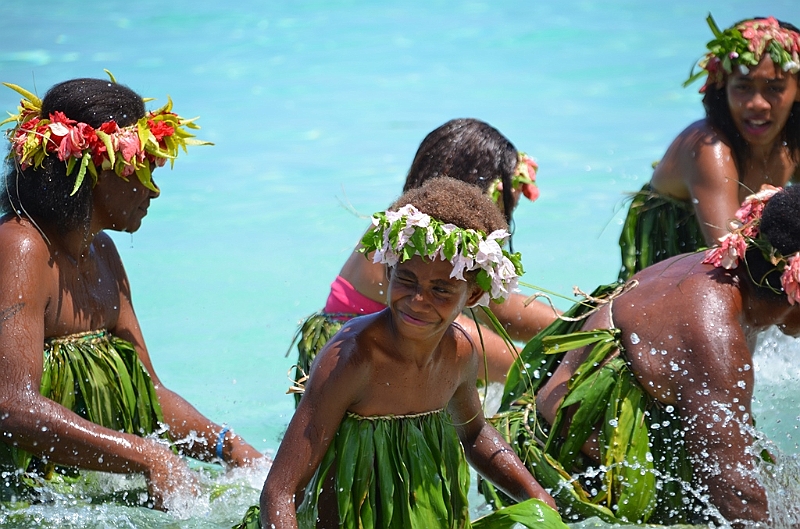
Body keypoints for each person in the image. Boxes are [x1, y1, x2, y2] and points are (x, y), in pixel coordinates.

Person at [0, 76, 263, 510]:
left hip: (81, 490)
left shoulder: (101, 250)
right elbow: (11, 405)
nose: (154, 191)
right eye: (143, 172)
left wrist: (230, 449)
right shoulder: (21, 248)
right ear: (97, 172)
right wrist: (147, 458)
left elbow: (151, 392)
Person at [240, 178, 562, 529]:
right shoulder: (353, 359)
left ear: (471, 297)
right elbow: (280, 490)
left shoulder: (459, 353)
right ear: (390, 270)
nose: (419, 300)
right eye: (407, 280)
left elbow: (473, 435)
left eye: (441, 289)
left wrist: (538, 498)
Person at [492, 185, 800, 524]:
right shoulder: (714, 332)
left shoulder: (714, 269)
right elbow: (734, 493)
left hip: (542, 453)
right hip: (565, 490)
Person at [292, 119, 558, 399]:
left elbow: (500, 309)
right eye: (505, 205)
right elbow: (467, 332)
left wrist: (581, 323)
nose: (504, 220)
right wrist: (546, 371)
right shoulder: (401, 239)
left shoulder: (445, 250)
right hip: (351, 368)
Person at [618, 15, 800, 280]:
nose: (757, 103)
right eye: (743, 87)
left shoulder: (792, 142)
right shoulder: (709, 148)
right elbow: (731, 256)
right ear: (723, 87)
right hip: (671, 280)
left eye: (775, 88)